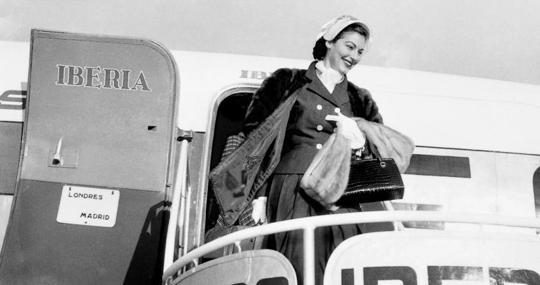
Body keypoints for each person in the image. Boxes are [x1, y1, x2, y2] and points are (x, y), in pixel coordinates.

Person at [241, 15, 386, 284]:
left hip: (340, 190)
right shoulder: (287, 81)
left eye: (360, 51)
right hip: (293, 186)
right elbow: (259, 137)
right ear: (330, 41)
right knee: (299, 265)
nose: (354, 56)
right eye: (349, 46)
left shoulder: (360, 97)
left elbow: (380, 150)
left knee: (342, 264)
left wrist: (359, 140)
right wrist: (259, 196)